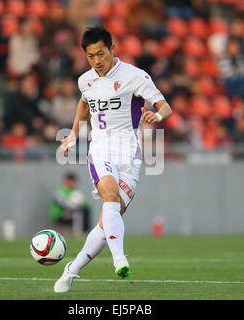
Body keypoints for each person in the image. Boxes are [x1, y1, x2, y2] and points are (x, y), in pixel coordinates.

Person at [54, 27, 172, 293]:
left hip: (130, 155)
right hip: (101, 148)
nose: (97, 61)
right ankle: (119, 259)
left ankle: (71, 270)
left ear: (112, 49)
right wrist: (73, 133)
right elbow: (84, 104)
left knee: (109, 218)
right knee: (109, 198)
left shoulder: (135, 76)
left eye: (101, 53)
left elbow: (165, 106)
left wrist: (158, 117)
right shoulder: (85, 80)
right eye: (91, 56)